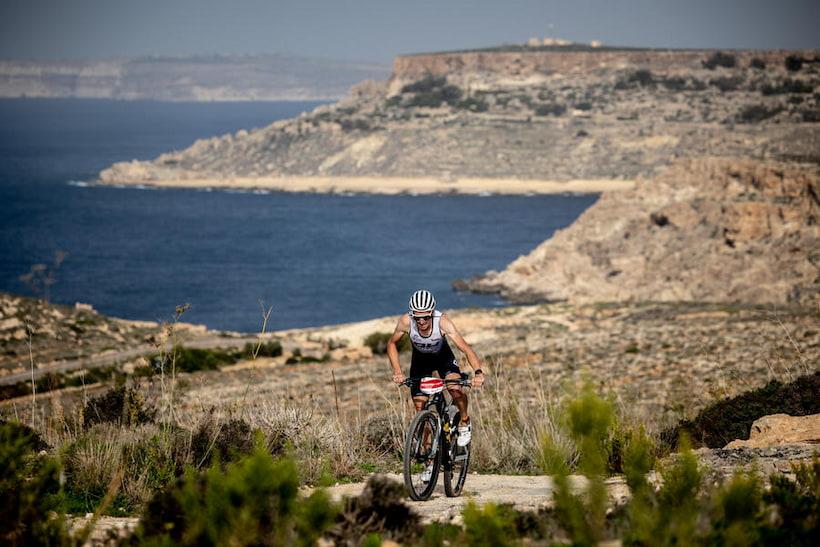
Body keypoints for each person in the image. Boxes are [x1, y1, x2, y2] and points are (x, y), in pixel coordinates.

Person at [386, 289, 485, 448]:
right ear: (412, 315)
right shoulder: (405, 322)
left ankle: (464, 421)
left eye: (426, 317)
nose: (421, 321)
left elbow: (466, 348)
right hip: (420, 362)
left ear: (432, 313)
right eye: (417, 317)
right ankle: (428, 455)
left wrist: (478, 372)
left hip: (443, 359)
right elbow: (391, 344)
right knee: (420, 408)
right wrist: (397, 371)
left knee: (455, 388)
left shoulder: (443, 322)